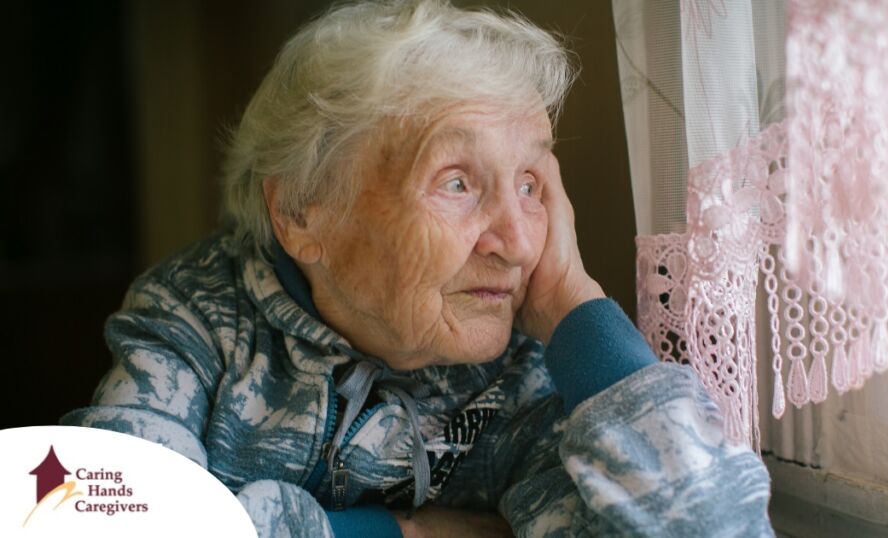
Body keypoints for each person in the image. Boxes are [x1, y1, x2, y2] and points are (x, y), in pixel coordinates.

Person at [61, 1, 774, 536]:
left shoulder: (528, 370)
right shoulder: (197, 318)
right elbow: (90, 517)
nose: (520, 244)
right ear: (303, 211)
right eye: (457, 182)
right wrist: (401, 532)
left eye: (530, 183)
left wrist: (575, 307)